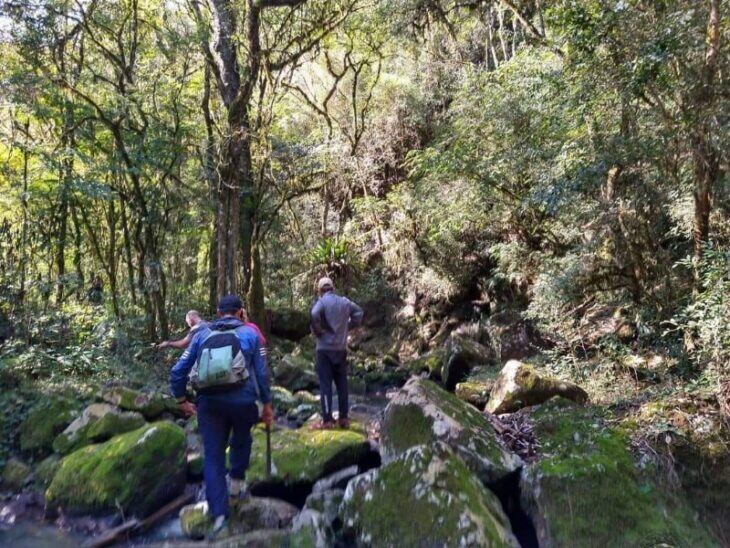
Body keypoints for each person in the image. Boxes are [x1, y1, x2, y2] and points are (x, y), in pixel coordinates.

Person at [170, 295, 273, 538]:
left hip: (209, 406)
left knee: (213, 457)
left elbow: (178, 372)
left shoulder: (202, 336)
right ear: (240, 312)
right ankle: (236, 484)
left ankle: (219, 518)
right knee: (242, 439)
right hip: (244, 402)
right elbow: (261, 373)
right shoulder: (250, 335)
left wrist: (182, 400)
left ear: (218, 313)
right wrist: (267, 404)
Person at [309, 277, 363, 429]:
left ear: (320, 290)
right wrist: (349, 326)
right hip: (340, 349)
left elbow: (314, 314)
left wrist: (318, 332)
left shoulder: (321, 302)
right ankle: (344, 418)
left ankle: (327, 420)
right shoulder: (344, 302)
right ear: (332, 288)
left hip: (324, 350)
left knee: (326, 385)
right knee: (342, 384)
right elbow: (359, 313)